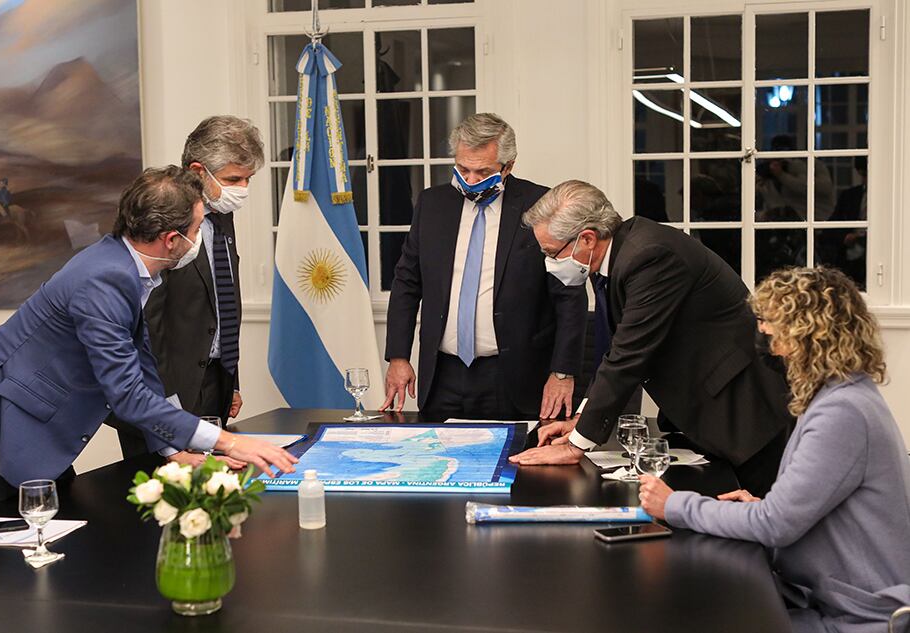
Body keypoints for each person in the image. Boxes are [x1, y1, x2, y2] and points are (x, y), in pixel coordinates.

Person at [0, 166, 296, 514]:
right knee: (5, 560)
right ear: (171, 239)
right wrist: (229, 442)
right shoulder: (104, 279)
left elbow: (144, 368)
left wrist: (171, 449)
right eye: (196, 230)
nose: (197, 240)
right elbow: (126, 393)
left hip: (31, 437)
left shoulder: (125, 266)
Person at [639, 267, 910, 633]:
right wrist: (760, 507)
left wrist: (675, 505)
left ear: (808, 334)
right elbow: (792, 512)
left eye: (771, 324)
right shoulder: (845, 396)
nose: (764, 334)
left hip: (857, 618)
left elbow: (775, 526)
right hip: (832, 601)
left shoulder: (842, 413)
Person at [510, 180, 794, 497]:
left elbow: (628, 356)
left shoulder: (649, 257)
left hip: (744, 412)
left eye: (552, 253)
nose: (550, 263)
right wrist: (581, 420)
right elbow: (614, 348)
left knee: (761, 520)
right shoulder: (616, 256)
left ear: (587, 238)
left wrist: (576, 446)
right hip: (705, 408)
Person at [382, 113, 586, 421]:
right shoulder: (432, 204)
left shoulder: (542, 205)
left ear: (509, 167)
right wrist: (398, 356)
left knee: (519, 464)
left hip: (514, 375)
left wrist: (563, 372)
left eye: (483, 172)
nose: (471, 180)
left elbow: (569, 295)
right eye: (463, 169)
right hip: (442, 375)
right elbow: (407, 283)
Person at [110, 116, 264, 465]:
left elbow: (222, 299)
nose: (242, 188)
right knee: (160, 504)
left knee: (211, 499)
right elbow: (147, 321)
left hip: (214, 380)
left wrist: (230, 375)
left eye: (248, 178)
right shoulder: (158, 213)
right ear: (198, 171)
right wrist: (163, 404)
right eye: (233, 179)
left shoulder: (222, 214)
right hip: (163, 389)